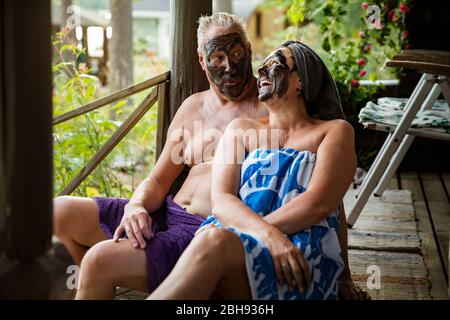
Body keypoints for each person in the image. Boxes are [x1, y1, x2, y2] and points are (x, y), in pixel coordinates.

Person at [53, 13, 368, 300]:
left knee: (101, 260)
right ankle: (93, 288)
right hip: (165, 214)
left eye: (236, 55)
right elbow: (157, 179)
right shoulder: (194, 107)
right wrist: (136, 206)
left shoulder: (271, 111)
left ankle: (117, 276)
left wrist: (343, 272)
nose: (229, 68)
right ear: (202, 61)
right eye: (218, 57)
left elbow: (324, 191)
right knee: (57, 212)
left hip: (206, 230)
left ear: (248, 49)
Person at [148, 41, 355, 300]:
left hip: (298, 255)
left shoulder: (334, 131)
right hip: (239, 244)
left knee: (215, 241)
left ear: (300, 80)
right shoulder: (241, 130)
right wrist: (266, 235)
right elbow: (222, 200)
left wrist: (344, 275)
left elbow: (321, 203)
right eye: (263, 66)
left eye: (276, 65)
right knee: (211, 242)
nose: (262, 73)